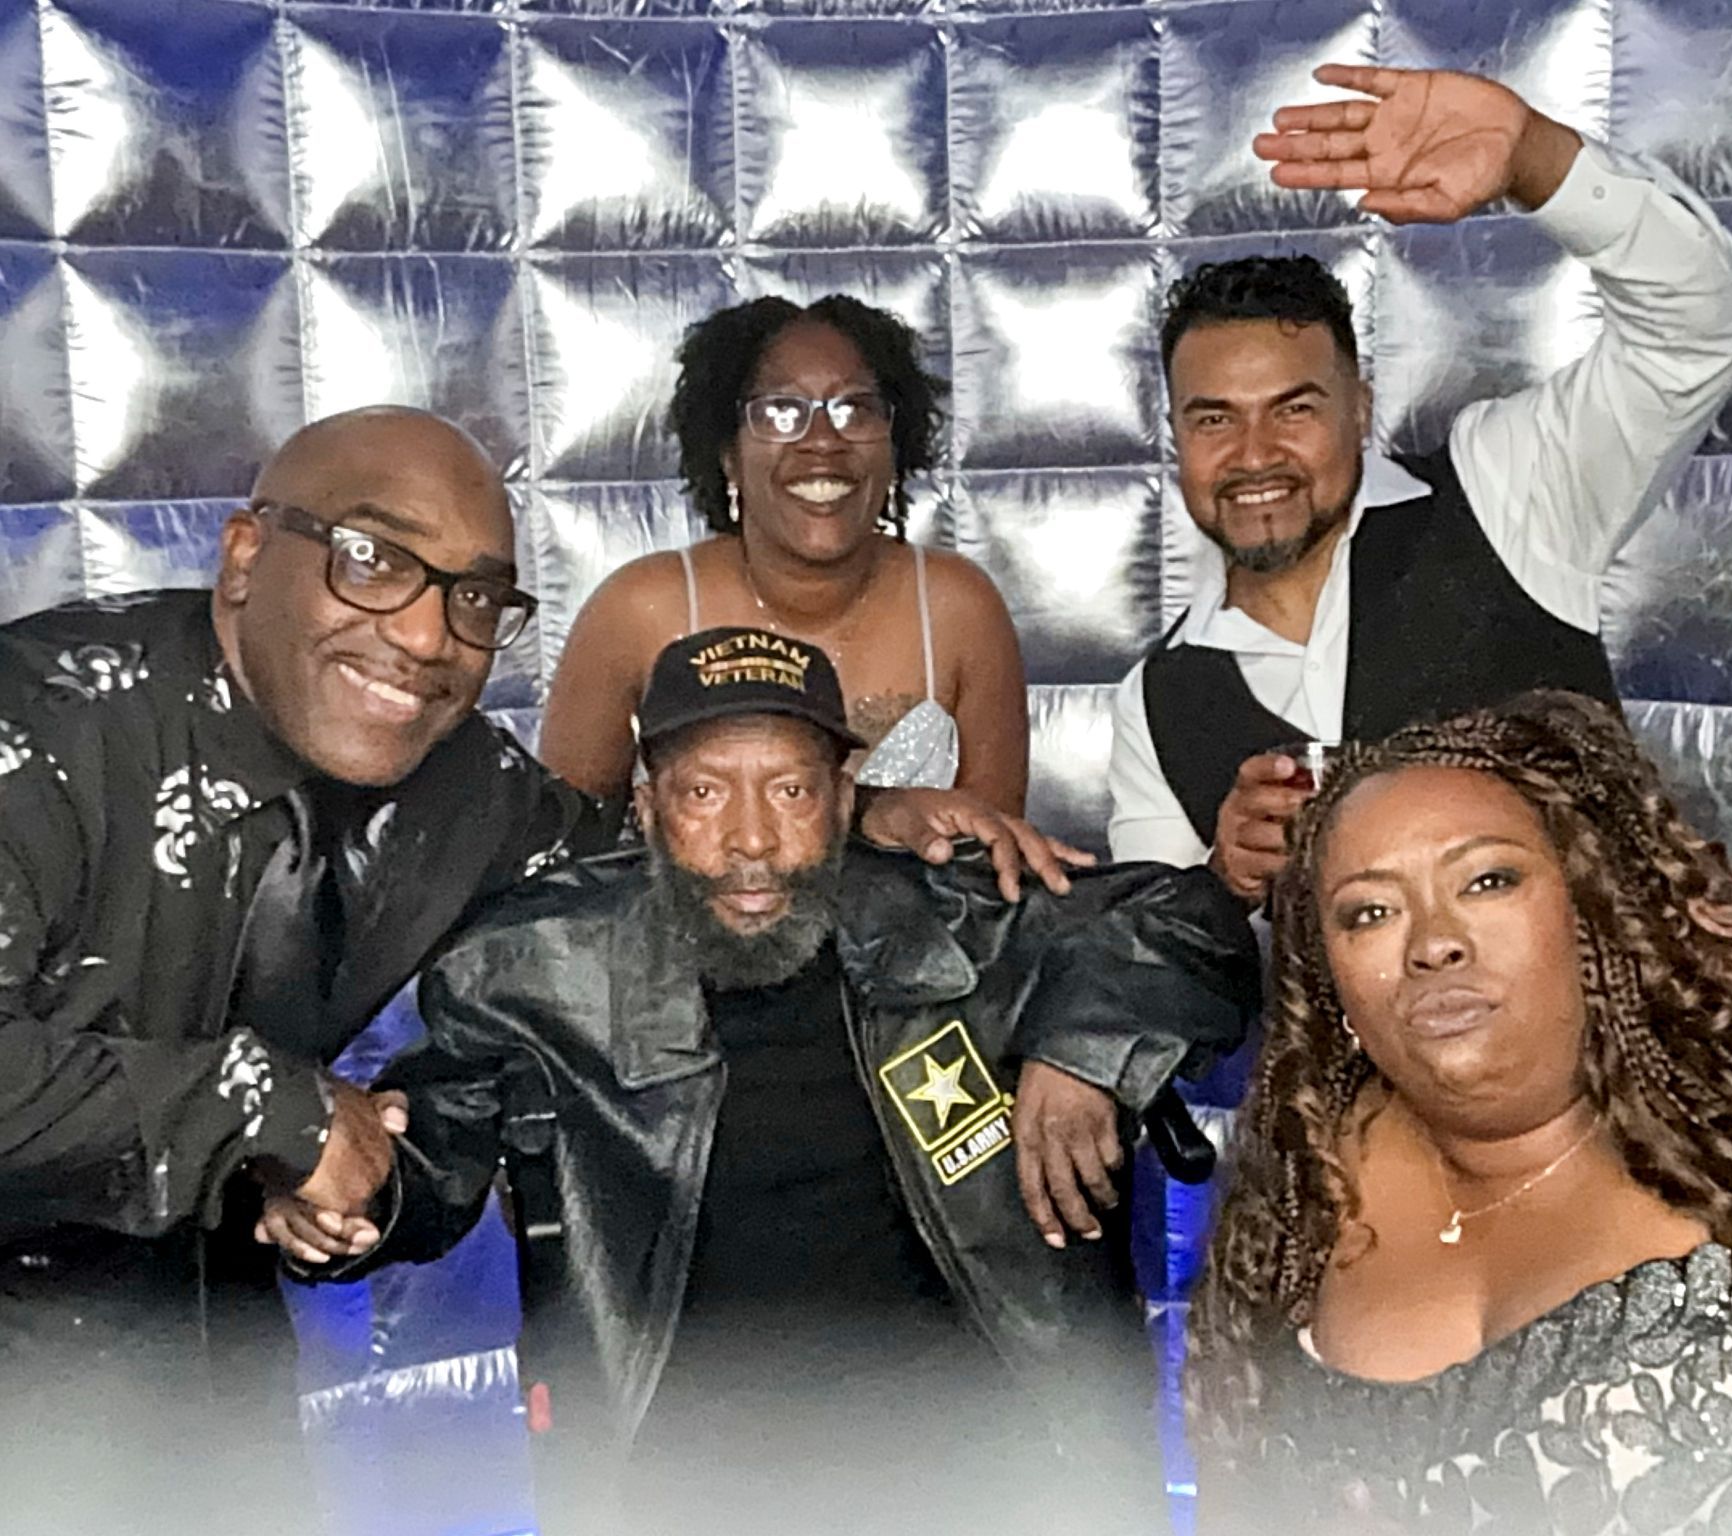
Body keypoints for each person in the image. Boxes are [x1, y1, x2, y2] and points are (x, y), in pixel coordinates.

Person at [268, 625, 1260, 1533]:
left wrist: (1082, 1054)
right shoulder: (537, 965)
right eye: (705, 793)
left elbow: (1192, 921)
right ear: (649, 809)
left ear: (844, 800)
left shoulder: (960, 922)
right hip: (690, 1479)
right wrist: (347, 1201)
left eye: (789, 791)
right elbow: (424, 1149)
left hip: (983, 1462)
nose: (751, 839)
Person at [0, 405, 622, 1534]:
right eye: (371, 559)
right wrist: (272, 1110)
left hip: (210, 1391)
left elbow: (655, 882)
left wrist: (867, 819)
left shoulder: (464, 784)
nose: (427, 637)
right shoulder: (37, 725)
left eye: (474, 598)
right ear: (246, 557)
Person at [1185, 691, 1732, 1534]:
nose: (1432, 942)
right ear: (1330, 980)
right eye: (1370, 912)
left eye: (1488, 881)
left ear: (1594, 913)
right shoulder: (1302, 1192)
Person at [1107, 64, 1732, 904]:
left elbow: (1701, 328)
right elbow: (1148, 965)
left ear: (1361, 408)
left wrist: (1537, 160)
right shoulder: (1158, 704)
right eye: (1213, 419)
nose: (1255, 453)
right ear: (1175, 438)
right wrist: (1219, 882)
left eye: (1295, 409)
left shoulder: (1501, 493)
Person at [540, 293, 1033, 815]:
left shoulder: (959, 608)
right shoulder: (638, 611)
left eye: (855, 409)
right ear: (728, 455)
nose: (822, 441)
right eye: (779, 412)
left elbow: (997, 846)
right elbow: (564, 841)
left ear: (894, 449)